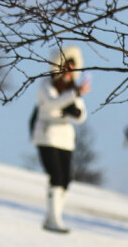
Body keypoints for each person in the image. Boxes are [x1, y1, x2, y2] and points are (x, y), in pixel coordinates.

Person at [33, 46, 91, 233]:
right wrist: (72, 97)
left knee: (66, 179)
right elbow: (50, 105)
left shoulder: (72, 90)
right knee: (56, 175)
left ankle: (53, 216)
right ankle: (53, 219)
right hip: (47, 136)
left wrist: (74, 110)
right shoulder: (47, 85)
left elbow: (81, 117)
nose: (69, 73)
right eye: (66, 67)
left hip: (65, 139)